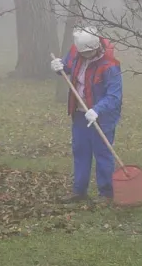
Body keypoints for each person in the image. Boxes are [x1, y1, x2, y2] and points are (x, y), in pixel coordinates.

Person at [51, 26, 123, 204]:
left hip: (103, 116)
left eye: (89, 53)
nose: (86, 56)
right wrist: (59, 67)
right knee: (80, 151)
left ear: (96, 47)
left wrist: (97, 110)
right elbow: (68, 68)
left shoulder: (110, 65)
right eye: (83, 53)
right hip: (80, 113)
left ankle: (106, 194)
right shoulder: (77, 51)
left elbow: (114, 96)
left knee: (102, 153)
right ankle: (79, 191)